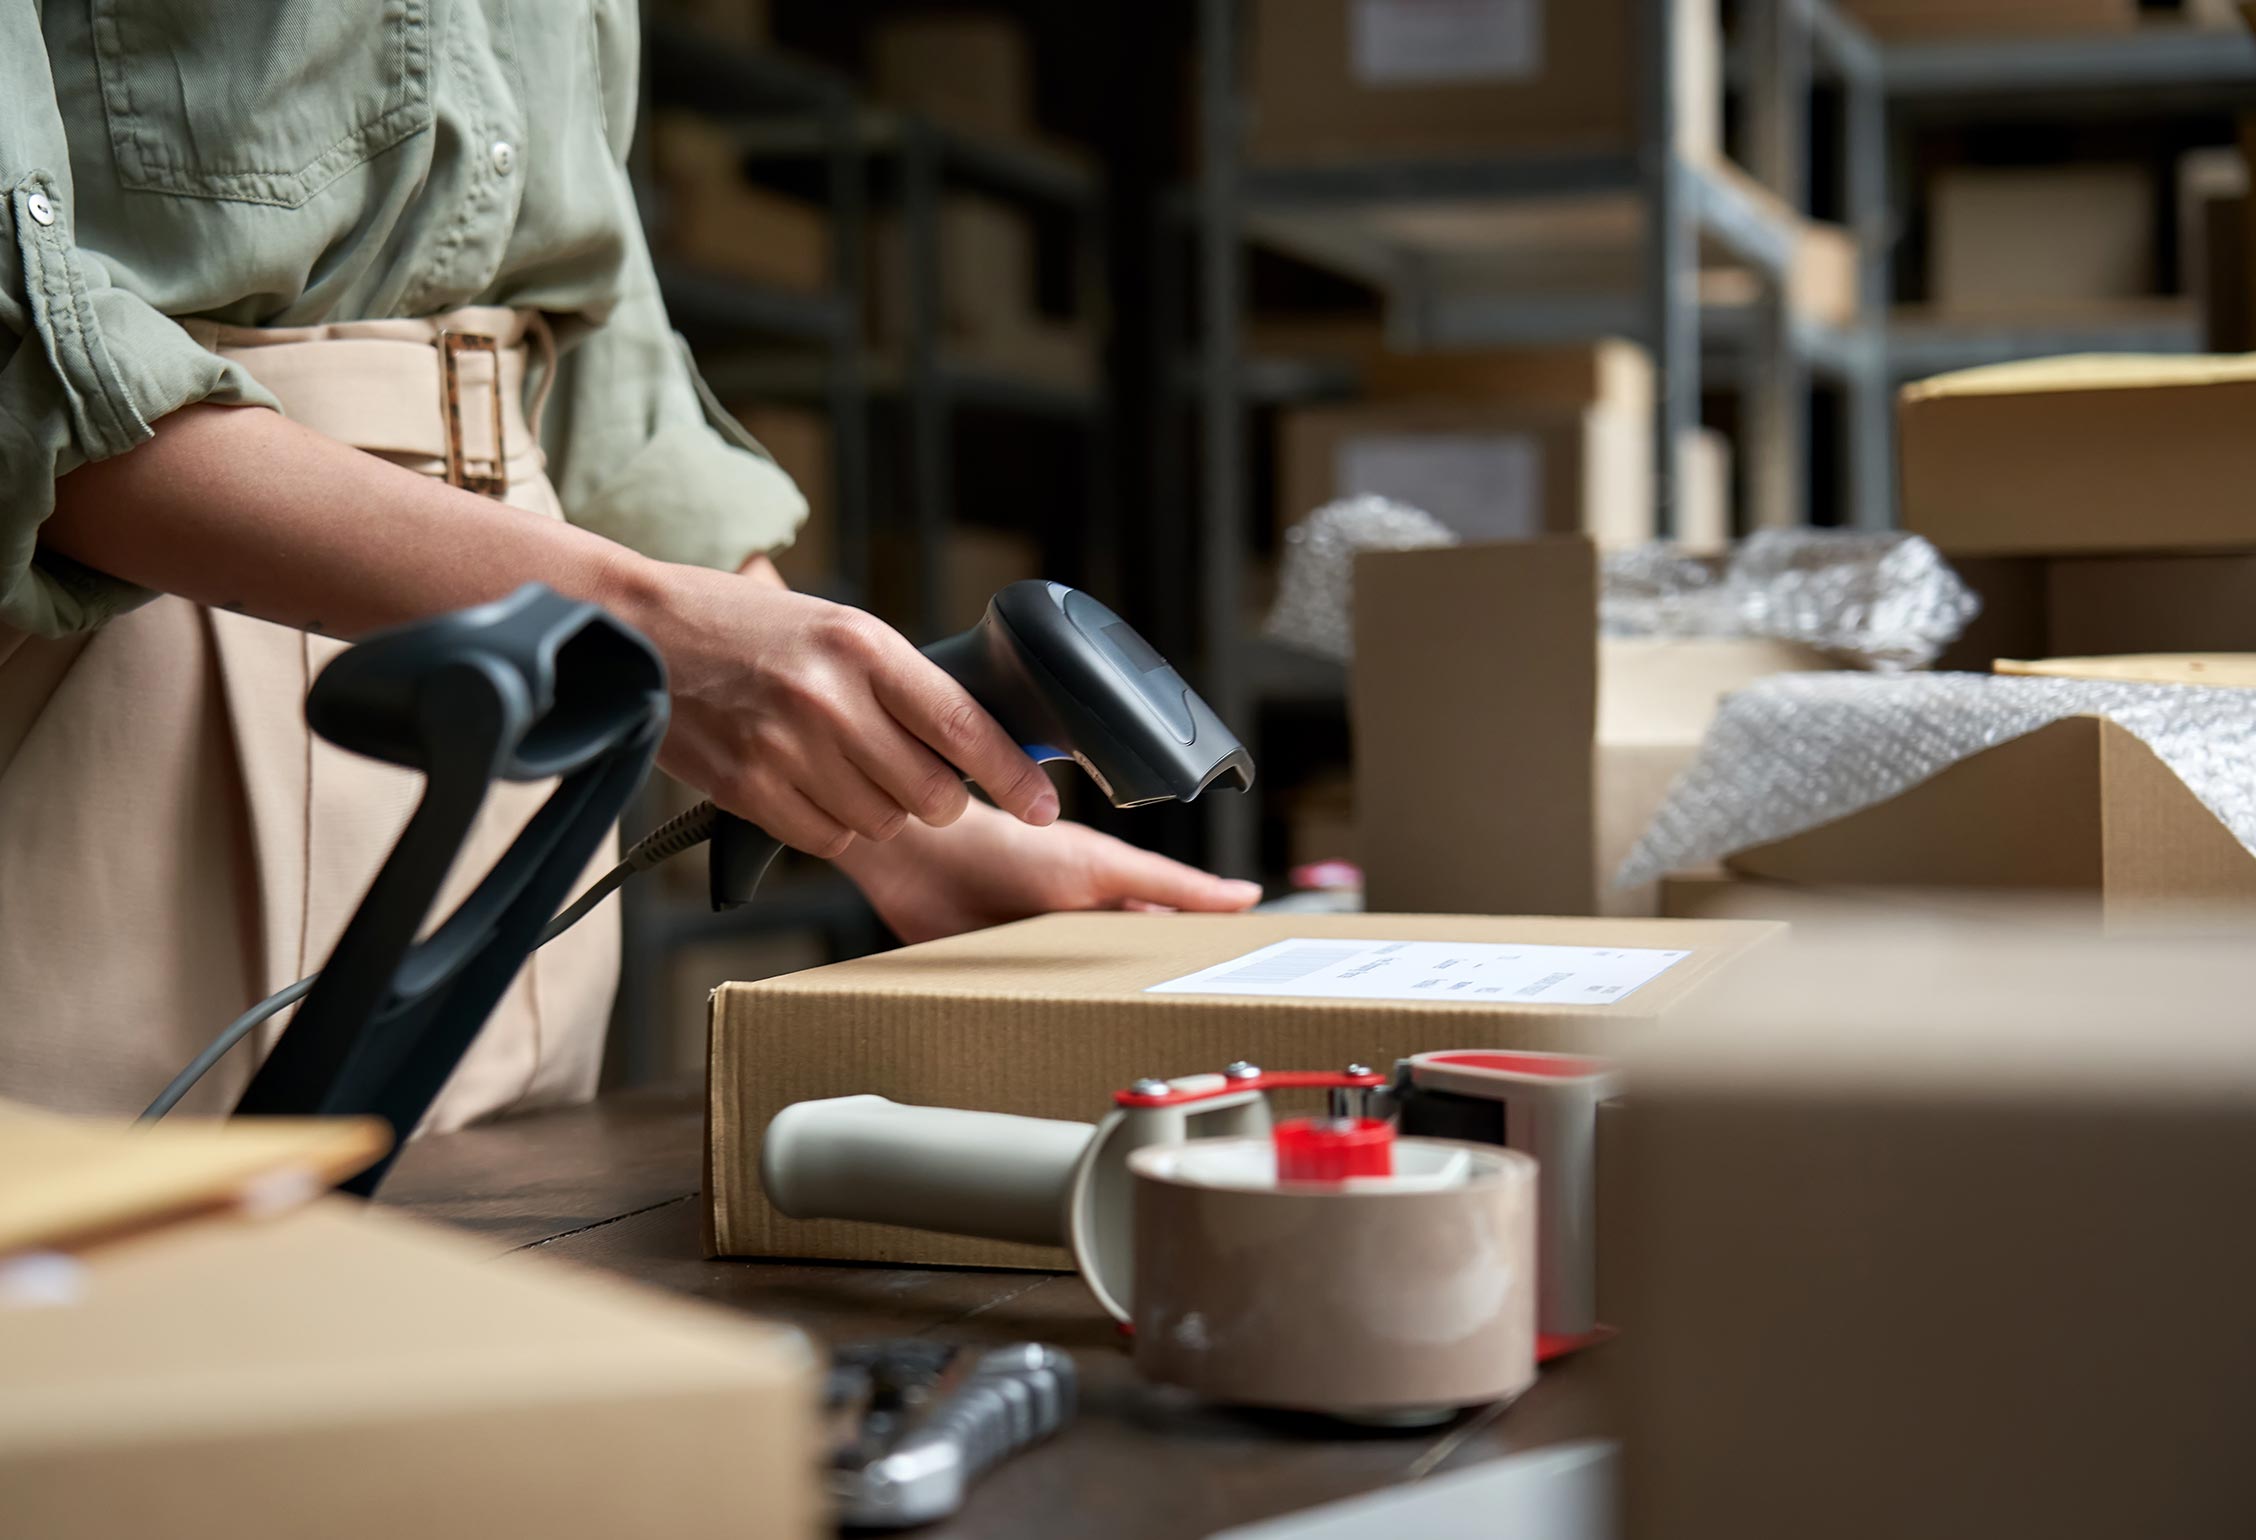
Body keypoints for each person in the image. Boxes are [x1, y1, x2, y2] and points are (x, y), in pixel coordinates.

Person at [0, 4, 1259, 1128]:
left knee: (487, 1296)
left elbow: (608, 384)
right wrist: (647, 626)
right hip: (148, 661)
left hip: (532, 718)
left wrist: (910, 836)